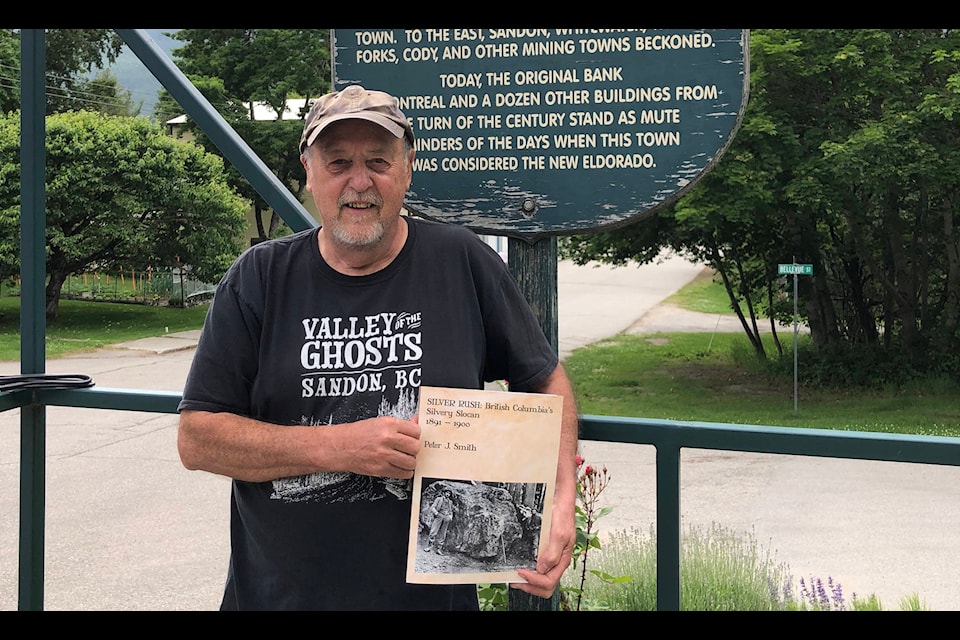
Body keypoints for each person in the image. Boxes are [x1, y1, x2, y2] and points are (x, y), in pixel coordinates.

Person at [176, 84, 579, 611]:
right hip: (277, 597)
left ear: (408, 167)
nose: (359, 182)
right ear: (310, 170)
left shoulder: (461, 261)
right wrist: (340, 447)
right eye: (338, 161)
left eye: (378, 161)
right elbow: (198, 438)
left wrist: (561, 500)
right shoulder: (259, 278)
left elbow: (546, 380)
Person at [425, 488, 457, 554]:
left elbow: (451, 510)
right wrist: (436, 513)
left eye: (449, 493)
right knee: (433, 531)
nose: (448, 494)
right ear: (444, 493)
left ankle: (439, 549)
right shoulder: (438, 499)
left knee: (443, 533)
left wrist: (450, 516)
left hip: (446, 517)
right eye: (447, 493)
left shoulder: (450, 502)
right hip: (439, 515)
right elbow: (433, 507)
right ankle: (429, 546)